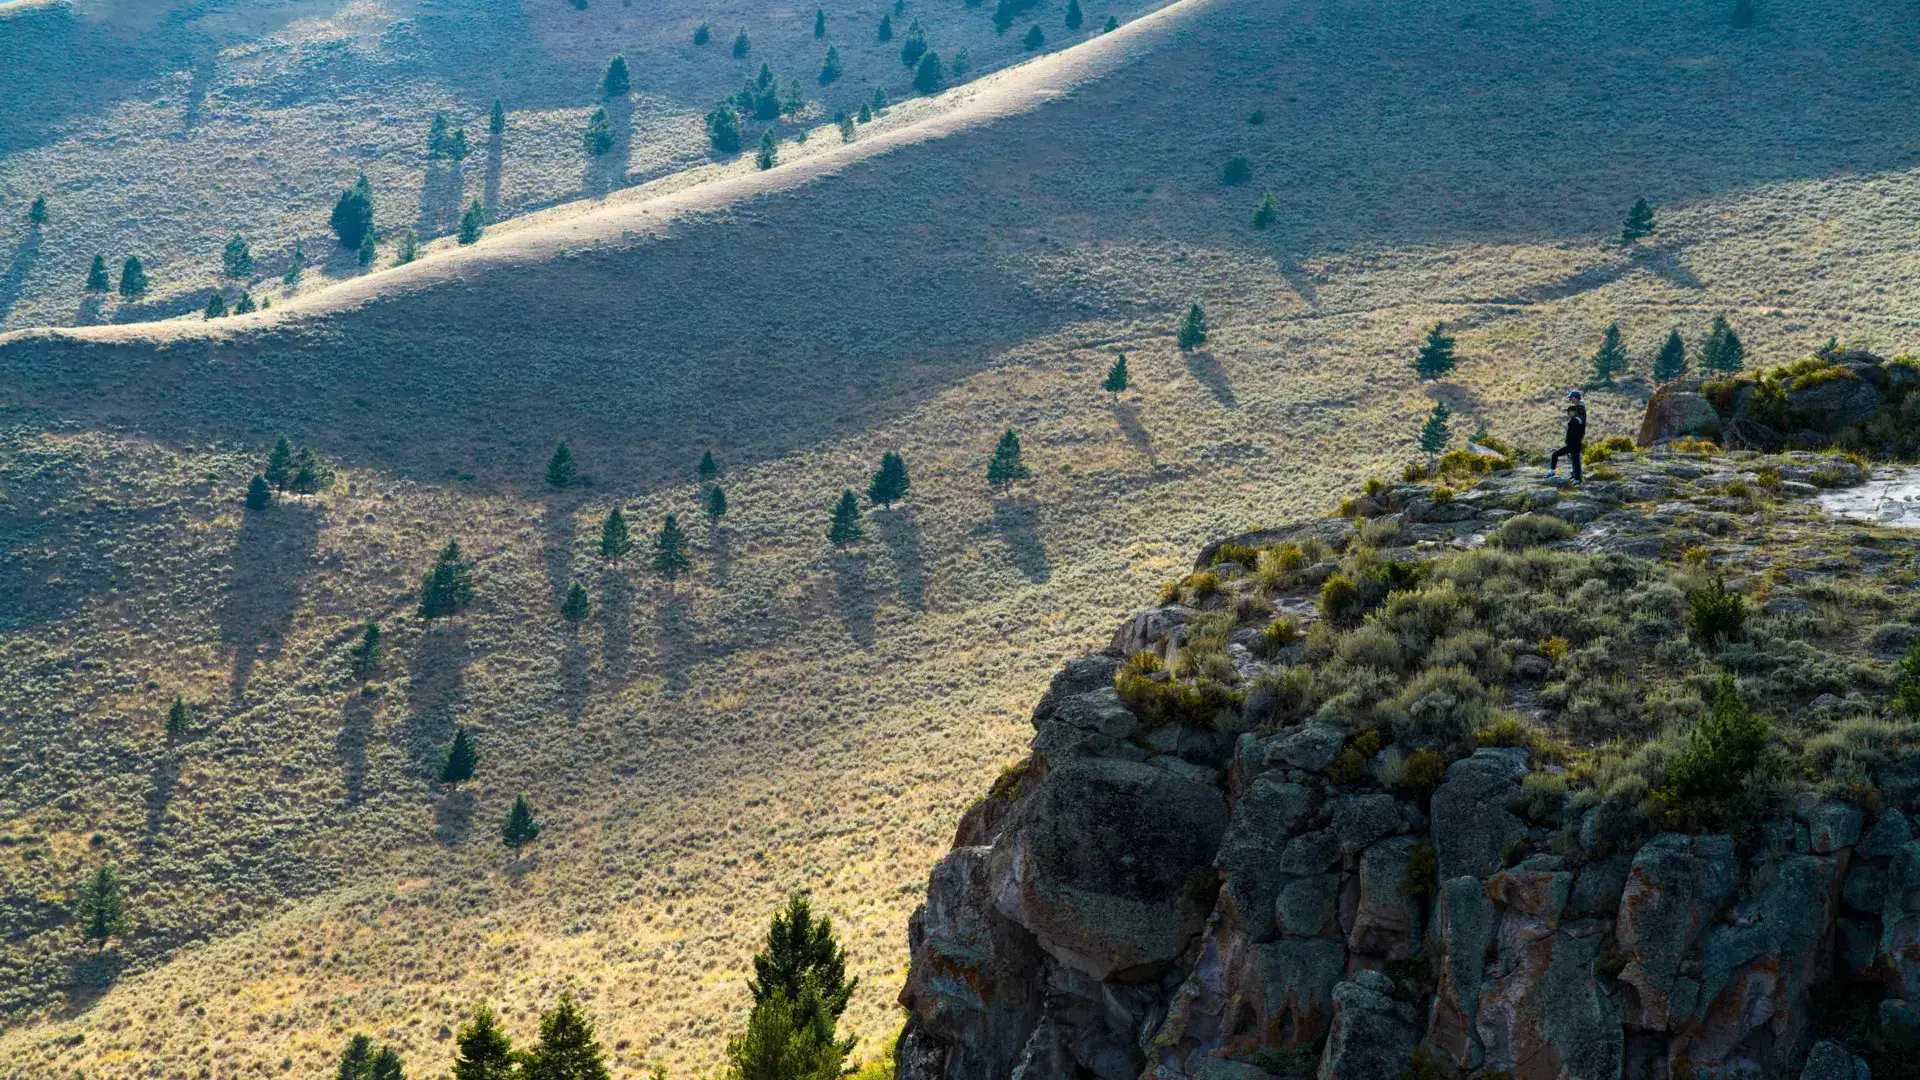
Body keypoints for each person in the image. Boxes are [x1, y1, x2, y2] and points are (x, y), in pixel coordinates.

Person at [1548, 389, 1587, 483]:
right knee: (1575, 459)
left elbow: (1579, 422)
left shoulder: (1579, 409)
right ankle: (1576, 477)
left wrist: (1575, 421)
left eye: (1571, 398)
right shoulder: (1578, 408)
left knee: (1574, 459)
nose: (1570, 400)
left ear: (1575, 397)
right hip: (1575, 441)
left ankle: (1577, 478)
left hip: (1575, 442)